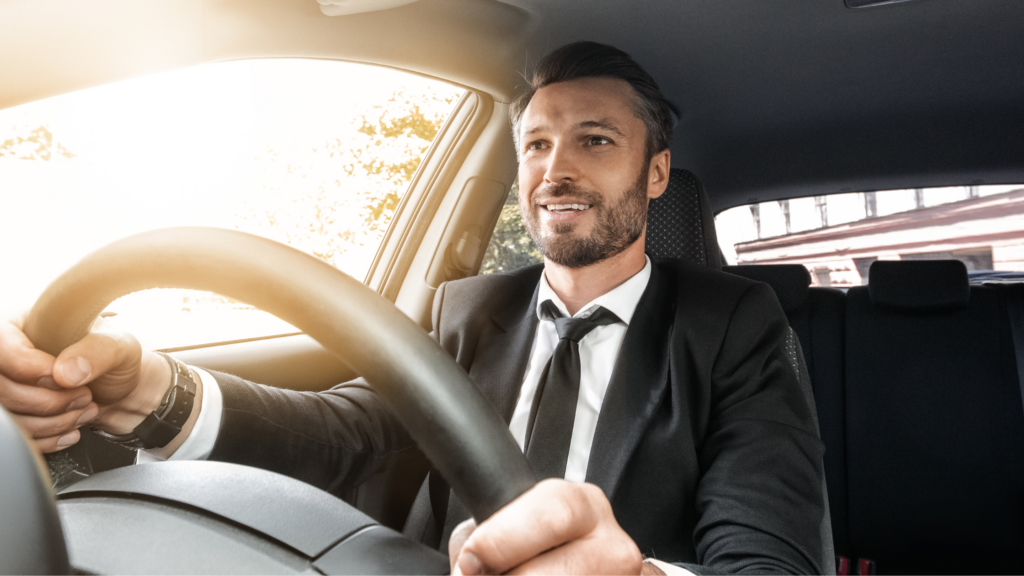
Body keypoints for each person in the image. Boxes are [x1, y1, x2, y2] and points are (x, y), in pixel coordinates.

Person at [0, 42, 826, 575]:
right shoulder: (467, 308)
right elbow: (337, 433)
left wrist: (638, 575)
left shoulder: (734, 324)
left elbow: (771, 560)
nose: (554, 170)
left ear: (655, 175)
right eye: (537, 144)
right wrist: (149, 390)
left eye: (596, 140)